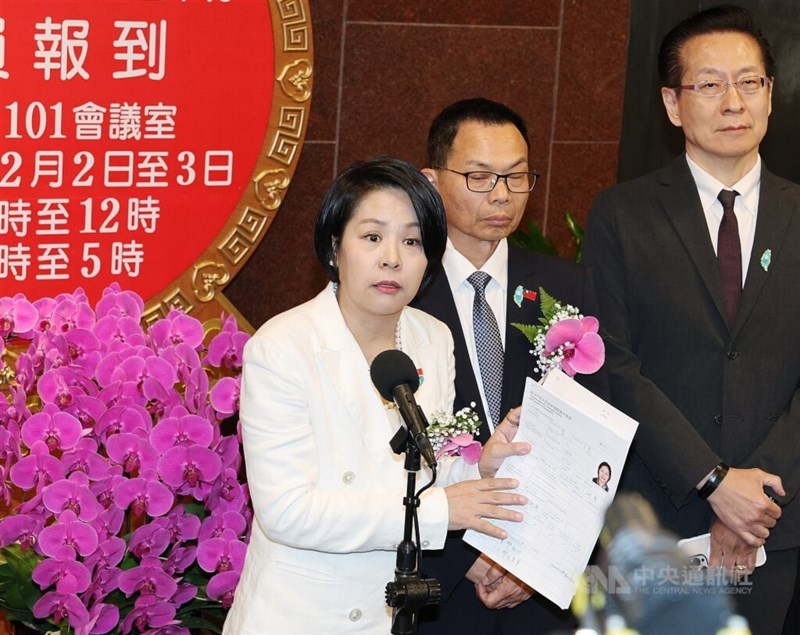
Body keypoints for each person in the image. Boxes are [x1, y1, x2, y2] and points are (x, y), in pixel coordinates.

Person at [223, 158, 531, 634]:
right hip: (300, 616)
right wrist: (444, 511)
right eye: (372, 237)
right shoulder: (281, 346)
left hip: (388, 614)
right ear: (334, 247)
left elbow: (429, 469)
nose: (392, 258)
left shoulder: (431, 336)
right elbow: (287, 511)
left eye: (411, 241)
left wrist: (480, 466)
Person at [582, 6, 800, 633]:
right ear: (674, 104)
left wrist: (754, 500)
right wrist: (713, 483)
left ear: (770, 95)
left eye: (749, 81)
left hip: (774, 528)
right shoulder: (622, 216)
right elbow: (613, 367)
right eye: (709, 84)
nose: (733, 101)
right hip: (655, 518)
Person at [413, 98, 606, 633]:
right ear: (432, 180)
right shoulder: (399, 291)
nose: (501, 194)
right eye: (479, 177)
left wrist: (530, 559)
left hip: (541, 585)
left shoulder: (567, 287)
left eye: (517, 177)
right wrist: (466, 555)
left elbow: (595, 436)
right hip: (438, 580)